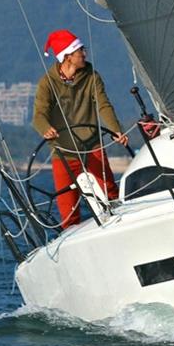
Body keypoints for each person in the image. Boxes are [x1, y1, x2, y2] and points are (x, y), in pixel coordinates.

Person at [32, 29, 128, 229]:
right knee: (68, 213)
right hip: (63, 152)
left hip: (92, 146)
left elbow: (103, 105)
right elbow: (39, 114)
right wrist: (45, 128)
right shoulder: (47, 83)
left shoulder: (92, 76)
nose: (84, 54)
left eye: (83, 50)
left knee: (110, 193)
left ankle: (122, 225)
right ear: (67, 56)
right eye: (80, 51)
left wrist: (116, 130)